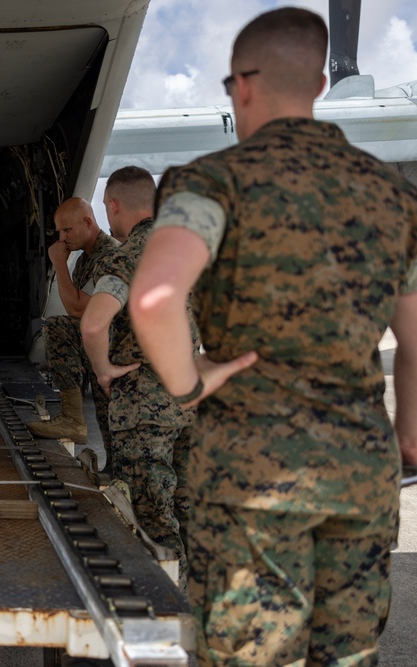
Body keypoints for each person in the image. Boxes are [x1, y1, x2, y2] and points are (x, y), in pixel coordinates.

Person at [129, 8, 417, 665]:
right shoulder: (394, 198)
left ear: (242, 86)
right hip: (361, 472)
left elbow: (153, 298)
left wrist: (190, 381)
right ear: (319, 85)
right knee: (348, 654)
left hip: (247, 478)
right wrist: (406, 436)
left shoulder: (212, 181)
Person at [79, 166, 197, 587]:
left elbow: (93, 324)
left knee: (151, 516)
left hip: (145, 403)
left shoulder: (129, 256)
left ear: (112, 205)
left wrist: (102, 369)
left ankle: (171, 605)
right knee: (188, 504)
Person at [27, 197, 119, 448]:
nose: (62, 238)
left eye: (67, 230)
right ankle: (110, 470)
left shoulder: (108, 256)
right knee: (107, 420)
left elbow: (78, 308)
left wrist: (58, 263)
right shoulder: (86, 258)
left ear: (88, 222)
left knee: (58, 327)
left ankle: (73, 419)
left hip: (119, 346)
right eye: (59, 231)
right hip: (102, 345)